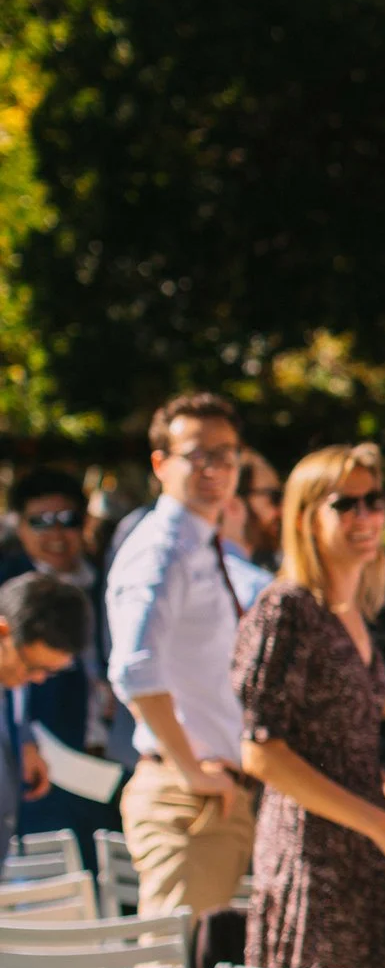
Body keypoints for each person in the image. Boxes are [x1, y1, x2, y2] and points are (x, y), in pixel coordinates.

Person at [234, 445, 385, 968]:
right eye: (345, 504)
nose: (365, 517)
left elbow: (346, 756)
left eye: (374, 501)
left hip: (365, 859)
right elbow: (261, 754)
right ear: (304, 518)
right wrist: (384, 827)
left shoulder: (356, 614)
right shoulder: (286, 608)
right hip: (309, 858)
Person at [108, 392, 263, 919]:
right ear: (161, 464)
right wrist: (192, 770)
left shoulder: (200, 543)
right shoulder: (162, 548)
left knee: (206, 963)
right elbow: (134, 669)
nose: (213, 468)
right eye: (197, 454)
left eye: (225, 454)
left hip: (217, 795)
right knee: (173, 962)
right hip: (186, 800)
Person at [1, 472, 116, 861]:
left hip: (108, 758)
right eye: (40, 521)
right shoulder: (7, 586)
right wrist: (23, 739)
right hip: (42, 770)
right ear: (18, 524)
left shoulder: (107, 580)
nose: (56, 533)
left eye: (67, 519)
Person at [0, 573, 89, 858]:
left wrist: (24, 742)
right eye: (32, 667)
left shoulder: (13, 675)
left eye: (50, 672)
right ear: (2, 632)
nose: (38, 679)